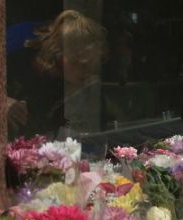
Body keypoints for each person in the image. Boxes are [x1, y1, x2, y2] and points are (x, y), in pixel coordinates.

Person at [6, 9, 110, 139]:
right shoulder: (21, 63)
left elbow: (102, 130)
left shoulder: (86, 86)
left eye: (93, 66)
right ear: (60, 54)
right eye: (80, 63)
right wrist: (0, 101)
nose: (87, 72)